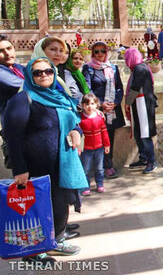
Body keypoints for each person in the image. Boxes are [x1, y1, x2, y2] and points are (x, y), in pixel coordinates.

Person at [4, 58, 84, 261]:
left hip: (61, 164)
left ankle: (55, 242)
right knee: (37, 208)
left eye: (48, 71)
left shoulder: (59, 95)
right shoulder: (23, 99)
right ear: (30, 76)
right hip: (36, 166)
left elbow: (73, 119)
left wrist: (76, 131)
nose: (44, 75)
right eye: (37, 73)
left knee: (59, 204)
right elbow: (12, 136)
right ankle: (32, 254)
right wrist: (19, 169)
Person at [83, 42, 125, 179]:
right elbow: (88, 89)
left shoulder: (113, 68)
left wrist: (115, 103)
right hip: (96, 110)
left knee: (109, 139)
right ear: (92, 53)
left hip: (112, 111)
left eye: (103, 51)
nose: (100, 54)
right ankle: (95, 168)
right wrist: (100, 104)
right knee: (96, 139)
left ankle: (108, 166)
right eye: (97, 51)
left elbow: (119, 88)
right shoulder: (88, 69)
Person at [123, 48, 158, 174]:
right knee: (139, 132)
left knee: (144, 134)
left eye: (126, 57)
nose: (125, 60)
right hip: (140, 104)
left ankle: (151, 161)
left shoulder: (139, 69)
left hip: (142, 104)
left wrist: (127, 103)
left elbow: (135, 88)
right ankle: (143, 158)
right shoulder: (141, 68)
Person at [79, 93, 110, 196]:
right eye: (87, 104)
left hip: (99, 147)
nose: (90, 106)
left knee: (99, 168)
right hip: (86, 149)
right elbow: (79, 135)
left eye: (92, 104)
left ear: (96, 105)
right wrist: (79, 147)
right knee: (85, 168)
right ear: (82, 105)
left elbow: (104, 132)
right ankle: (85, 187)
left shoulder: (99, 117)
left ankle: (100, 184)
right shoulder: (80, 119)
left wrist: (107, 145)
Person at [0, 35, 25, 117]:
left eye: (9, 48)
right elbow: (26, 85)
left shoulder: (19, 67)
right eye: (1, 51)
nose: (7, 53)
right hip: (15, 121)